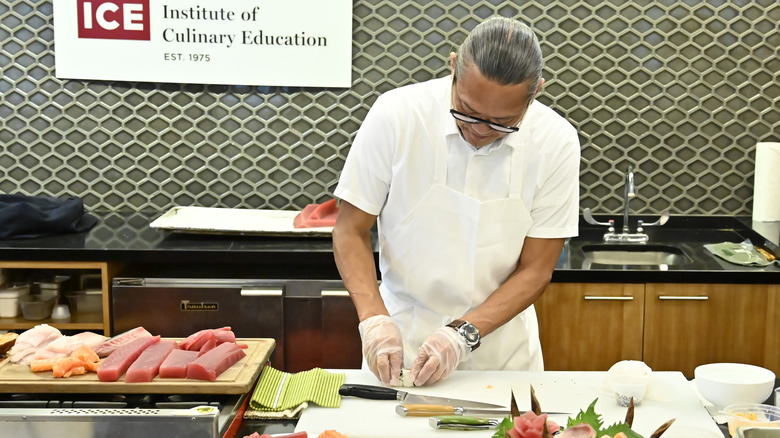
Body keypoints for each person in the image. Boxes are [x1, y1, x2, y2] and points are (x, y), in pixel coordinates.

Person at [332, 16, 580, 387]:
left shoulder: (555, 140)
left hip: (502, 352)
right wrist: (372, 319)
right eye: (467, 110)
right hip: (402, 337)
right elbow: (351, 229)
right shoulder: (397, 114)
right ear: (452, 68)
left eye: (502, 122)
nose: (480, 131)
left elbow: (536, 269)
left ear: (536, 91)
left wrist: (462, 335)